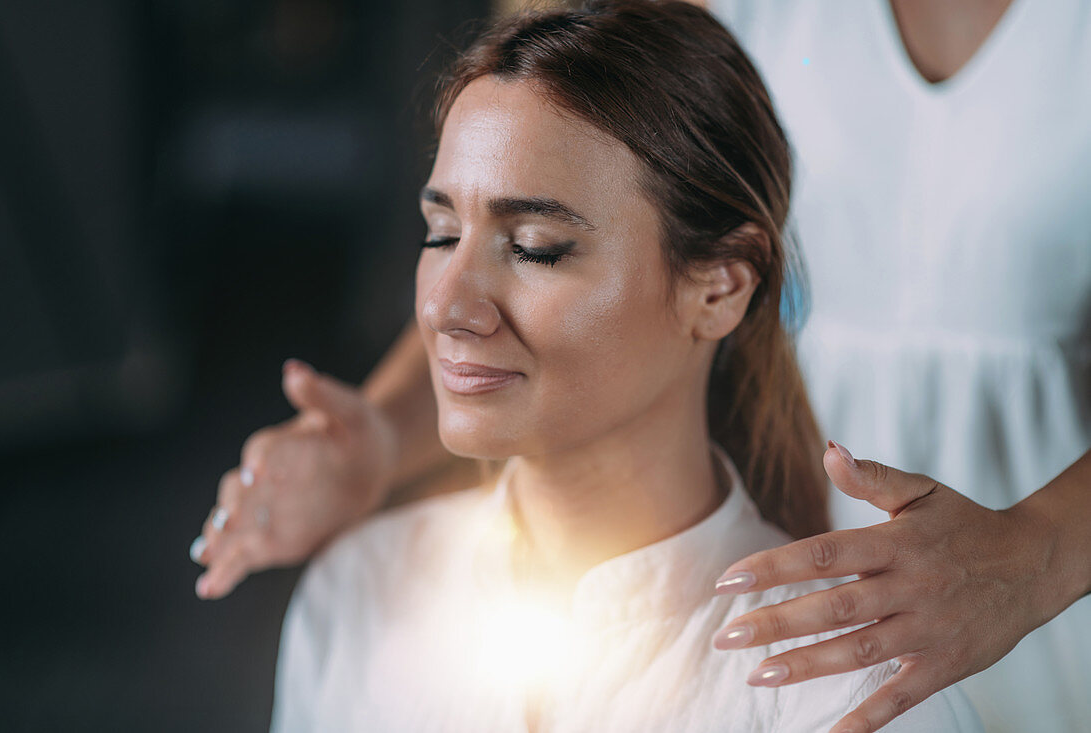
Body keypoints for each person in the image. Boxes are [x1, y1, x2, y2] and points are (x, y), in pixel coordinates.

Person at [192, 1, 1091, 732]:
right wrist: (378, 439)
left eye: (538, 246)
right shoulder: (358, 599)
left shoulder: (839, 704)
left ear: (721, 287)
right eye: (438, 233)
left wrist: (1042, 548)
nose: (445, 305)